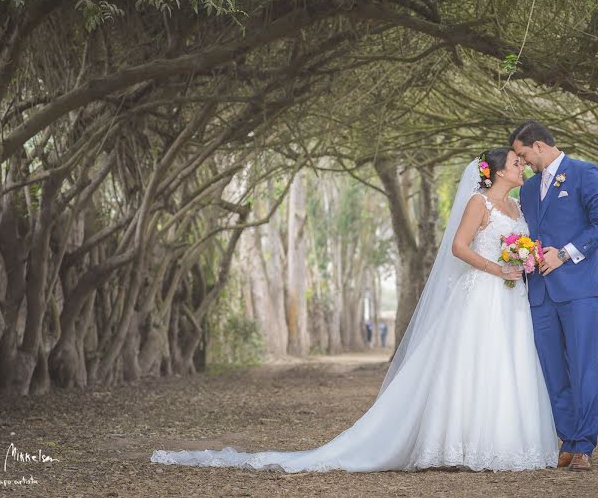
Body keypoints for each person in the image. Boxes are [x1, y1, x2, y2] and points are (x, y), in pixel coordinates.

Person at [150, 149, 559, 472]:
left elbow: (520, 246)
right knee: (471, 366)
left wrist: (522, 262)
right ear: (495, 171)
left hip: (510, 298)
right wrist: (498, 267)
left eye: (522, 160)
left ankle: (505, 442)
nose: (521, 164)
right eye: (515, 161)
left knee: (507, 365)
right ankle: (460, 444)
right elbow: (459, 247)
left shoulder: (517, 209)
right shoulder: (478, 203)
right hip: (480, 294)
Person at [510, 120, 598, 472]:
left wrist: (565, 253)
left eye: (523, 155)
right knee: (552, 371)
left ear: (539, 146)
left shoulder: (584, 172)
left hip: (579, 290)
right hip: (539, 293)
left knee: (582, 368)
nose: (522, 163)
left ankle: (584, 444)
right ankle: (567, 440)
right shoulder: (525, 192)